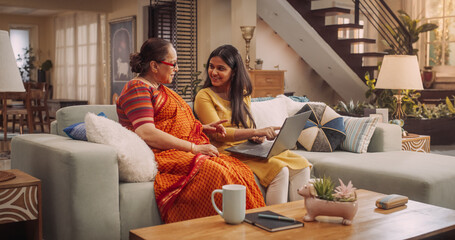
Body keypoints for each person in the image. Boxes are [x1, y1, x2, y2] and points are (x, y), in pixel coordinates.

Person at [116, 38, 265, 223]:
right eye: (173, 64)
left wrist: (203, 128)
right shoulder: (137, 88)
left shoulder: (159, 89)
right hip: (163, 153)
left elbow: (169, 122)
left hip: (178, 150)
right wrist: (194, 148)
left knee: (237, 169)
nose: (176, 69)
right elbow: (147, 132)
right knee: (217, 173)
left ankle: (251, 227)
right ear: (154, 66)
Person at [194, 44, 311, 205]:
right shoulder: (204, 96)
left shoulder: (242, 93)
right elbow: (218, 134)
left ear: (234, 71)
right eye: (211, 67)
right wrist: (255, 131)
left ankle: (301, 218)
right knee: (280, 171)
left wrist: (255, 137)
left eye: (221, 68)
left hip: (247, 148)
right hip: (225, 152)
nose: (213, 72)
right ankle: (277, 223)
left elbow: (246, 128)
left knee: (302, 165)